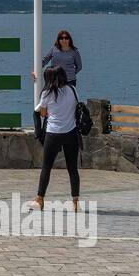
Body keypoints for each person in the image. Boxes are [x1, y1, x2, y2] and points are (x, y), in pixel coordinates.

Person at [32, 66, 81, 213]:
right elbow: (75, 107)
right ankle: (75, 201)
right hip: (71, 133)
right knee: (72, 169)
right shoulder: (73, 90)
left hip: (53, 134)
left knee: (46, 167)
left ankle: (40, 199)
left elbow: (40, 112)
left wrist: (38, 132)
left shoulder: (47, 93)